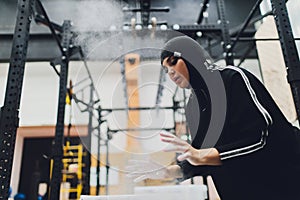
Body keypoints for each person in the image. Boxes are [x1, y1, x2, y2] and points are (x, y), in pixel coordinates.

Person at [127, 36, 300, 200]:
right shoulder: (192, 106)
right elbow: (199, 156)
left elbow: (258, 138)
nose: (170, 72)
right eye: (165, 70)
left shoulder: (232, 78)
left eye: (173, 62)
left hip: (283, 185)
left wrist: (201, 155)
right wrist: (168, 172)